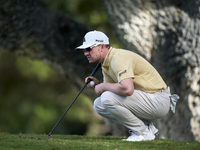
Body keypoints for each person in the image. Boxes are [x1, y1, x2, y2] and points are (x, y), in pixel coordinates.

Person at [76, 30, 179, 142]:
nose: (86, 53)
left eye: (88, 48)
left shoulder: (118, 57)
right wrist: (99, 85)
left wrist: (104, 86)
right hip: (148, 100)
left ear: (101, 47)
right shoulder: (106, 63)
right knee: (99, 104)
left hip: (158, 100)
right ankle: (146, 127)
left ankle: (143, 133)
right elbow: (112, 92)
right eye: (84, 50)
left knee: (106, 98)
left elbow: (127, 89)